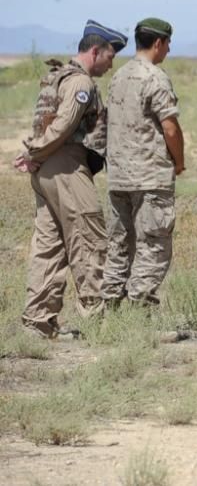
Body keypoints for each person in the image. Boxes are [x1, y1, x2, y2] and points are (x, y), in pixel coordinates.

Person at [13, 20, 126, 337]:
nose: (111, 63)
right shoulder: (81, 83)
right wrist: (34, 153)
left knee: (48, 246)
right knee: (89, 239)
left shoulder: (57, 77)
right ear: (95, 51)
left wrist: (35, 156)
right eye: (109, 56)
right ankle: (98, 321)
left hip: (46, 170)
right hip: (66, 167)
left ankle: (37, 321)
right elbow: (62, 126)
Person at [102, 17, 184, 308]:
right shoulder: (155, 78)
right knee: (153, 246)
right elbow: (170, 127)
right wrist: (179, 161)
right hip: (150, 178)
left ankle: (108, 312)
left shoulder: (118, 77)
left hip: (118, 178)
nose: (169, 50)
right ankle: (140, 315)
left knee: (118, 246)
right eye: (168, 44)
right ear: (158, 43)